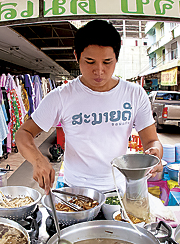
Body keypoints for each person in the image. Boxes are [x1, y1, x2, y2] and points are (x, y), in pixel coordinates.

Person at [15, 19, 163, 192]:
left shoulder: (135, 94)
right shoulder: (62, 96)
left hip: (120, 189)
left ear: (116, 58)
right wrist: (38, 160)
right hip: (76, 191)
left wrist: (155, 154)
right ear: (76, 56)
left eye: (107, 62)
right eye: (90, 61)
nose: (99, 70)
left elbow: (152, 140)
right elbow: (23, 133)